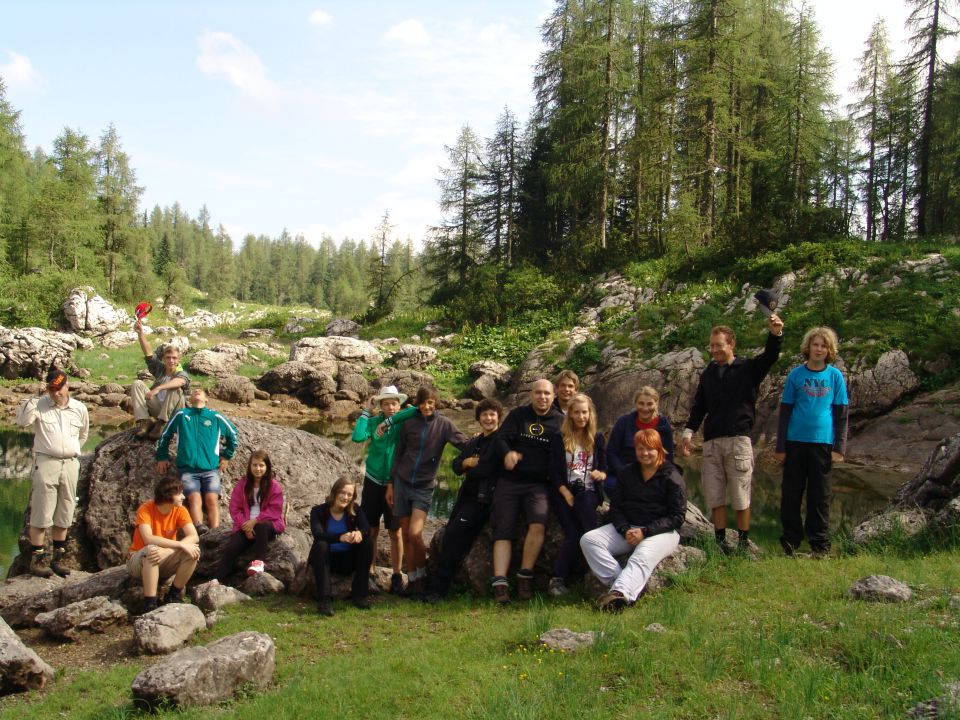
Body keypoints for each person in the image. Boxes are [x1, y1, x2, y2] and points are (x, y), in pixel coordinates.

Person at [679, 314, 784, 553]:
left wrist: (775, 334)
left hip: (738, 440)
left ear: (731, 344)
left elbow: (769, 357)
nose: (714, 349)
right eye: (712, 345)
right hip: (712, 442)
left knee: (740, 495)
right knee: (715, 496)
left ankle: (744, 544)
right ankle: (720, 542)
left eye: (719, 345)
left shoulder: (747, 368)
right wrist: (687, 433)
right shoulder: (708, 374)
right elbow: (699, 407)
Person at [580, 429, 686, 612]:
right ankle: (621, 583)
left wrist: (645, 532)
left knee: (642, 554)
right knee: (588, 540)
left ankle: (620, 593)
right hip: (629, 528)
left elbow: (677, 517)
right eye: (640, 449)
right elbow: (616, 508)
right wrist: (624, 529)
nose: (645, 453)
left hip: (662, 532)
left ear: (659, 449)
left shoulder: (672, 476)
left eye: (650, 449)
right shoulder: (627, 473)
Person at [384, 386, 469, 596]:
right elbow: (399, 454)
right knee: (405, 534)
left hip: (424, 486)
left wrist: (483, 446)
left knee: (415, 534)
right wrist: (390, 484)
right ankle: (412, 581)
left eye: (431, 402)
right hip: (402, 482)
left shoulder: (444, 425)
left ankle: (422, 575)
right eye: (423, 402)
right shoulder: (408, 423)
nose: (427, 406)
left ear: (436, 403)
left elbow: (464, 443)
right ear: (418, 403)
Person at [775, 326, 849, 558]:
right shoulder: (795, 375)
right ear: (808, 347)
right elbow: (785, 412)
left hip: (822, 443)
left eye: (824, 346)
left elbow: (841, 414)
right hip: (795, 442)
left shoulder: (835, 376)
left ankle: (819, 543)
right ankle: (790, 541)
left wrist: (839, 448)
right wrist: (781, 446)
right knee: (791, 494)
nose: (819, 349)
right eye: (816, 345)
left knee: (820, 496)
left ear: (829, 350)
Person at [490, 378, 564, 604]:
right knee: (503, 529)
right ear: (531, 394)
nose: (542, 397)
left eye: (547, 394)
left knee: (538, 522)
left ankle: (525, 576)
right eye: (538, 393)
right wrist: (507, 454)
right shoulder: (517, 415)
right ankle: (500, 582)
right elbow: (500, 439)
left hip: (538, 484)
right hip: (510, 481)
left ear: (554, 397)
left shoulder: (561, 421)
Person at [423, 398, 504, 603]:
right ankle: (435, 588)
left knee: (453, 536)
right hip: (466, 497)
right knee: (450, 534)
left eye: (492, 414)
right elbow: (456, 465)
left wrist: (472, 466)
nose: (488, 418)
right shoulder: (475, 442)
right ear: (478, 419)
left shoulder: (501, 441)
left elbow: (487, 468)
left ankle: (438, 590)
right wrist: (467, 462)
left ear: (498, 417)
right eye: (484, 415)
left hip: (484, 500)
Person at [15, 367, 89, 577]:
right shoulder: (39, 405)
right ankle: (37, 560)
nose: (55, 393)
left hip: (71, 463)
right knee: (41, 511)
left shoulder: (79, 408)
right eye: (51, 389)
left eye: (58, 388)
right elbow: (22, 422)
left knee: (65, 511)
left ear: (67, 386)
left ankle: (58, 558)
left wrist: (70, 451)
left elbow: (83, 434)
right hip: (46, 462)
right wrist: (34, 398)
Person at [351, 385, 416, 595]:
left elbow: (416, 410)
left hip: (395, 483)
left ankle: (397, 574)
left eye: (394, 403)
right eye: (386, 403)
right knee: (371, 530)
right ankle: (370, 570)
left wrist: (392, 419)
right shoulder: (373, 422)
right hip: (372, 481)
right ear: (380, 405)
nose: (390, 407)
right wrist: (366, 411)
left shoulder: (403, 422)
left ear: (400, 404)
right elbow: (358, 437)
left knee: (395, 531)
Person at [156, 387, 238, 534]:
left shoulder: (215, 417)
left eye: (201, 391)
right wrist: (162, 456)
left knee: (211, 499)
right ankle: (199, 529)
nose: (197, 391)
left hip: (211, 469)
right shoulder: (182, 415)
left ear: (207, 399)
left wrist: (227, 456)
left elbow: (233, 435)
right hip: (188, 470)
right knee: (194, 499)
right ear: (190, 399)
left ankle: (216, 533)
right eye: (194, 391)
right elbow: (165, 435)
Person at [548, 393, 606, 596]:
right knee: (575, 533)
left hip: (589, 491)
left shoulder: (597, 437)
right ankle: (558, 579)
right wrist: (565, 493)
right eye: (577, 412)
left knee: (586, 521)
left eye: (585, 412)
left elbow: (605, 468)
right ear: (570, 414)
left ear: (590, 414)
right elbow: (553, 472)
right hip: (564, 492)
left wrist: (601, 473)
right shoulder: (559, 438)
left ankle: (595, 574)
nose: (581, 417)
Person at [127, 477, 201, 613]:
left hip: (165, 559)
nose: (183, 497)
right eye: (179, 493)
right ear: (168, 495)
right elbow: (148, 538)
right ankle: (150, 602)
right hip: (138, 560)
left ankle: (174, 594)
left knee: (193, 550)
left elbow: (194, 536)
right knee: (152, 550)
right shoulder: (146, 508)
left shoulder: (180, 510)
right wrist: (178, 545)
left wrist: (169, 551)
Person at [216, 450, 286, 583]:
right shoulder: (242, 485)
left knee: (261, 527)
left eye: (261, 465)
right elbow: (234, 508)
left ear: (267, 467)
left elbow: (275, 510)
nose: (258, 469)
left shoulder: (274, 486)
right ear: (249, 466)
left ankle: (259, 562)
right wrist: (246, 527)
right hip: (245, 525)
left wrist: (255, 521)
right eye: (254, 465)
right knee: (232, 548)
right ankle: (217, 580)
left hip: (266, 524)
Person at [309, 476, 373, 616]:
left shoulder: (355, 509)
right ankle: (324, 600)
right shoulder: (318, 511)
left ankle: (360, 595)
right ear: (335, 492)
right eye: (342, 493)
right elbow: (318, 534)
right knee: (321, 545)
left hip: (347, 560)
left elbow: (367, 529)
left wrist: (359, 533)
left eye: (349, 494)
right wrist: (340, 537)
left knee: (367, 542)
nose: (345, 497)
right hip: (326, 560)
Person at [605, 386, 674, 493]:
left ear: (657, 403)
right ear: (635, 403)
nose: (645, 408)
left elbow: (668, 457)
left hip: (654, 473)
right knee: (611, 485)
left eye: (650, 404)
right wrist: (623, 473)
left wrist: (655, 476)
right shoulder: (623, 422)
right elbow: (611, 453)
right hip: (625, 471)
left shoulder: (664, 426)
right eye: (641, 403)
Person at [130, 318, 189, 439]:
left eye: (174, 358)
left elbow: (180, 382)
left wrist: (159, 388)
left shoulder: (181, 373)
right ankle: (144, 421)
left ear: (178, 359)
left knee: (175, 388)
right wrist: (140, 332)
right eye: (168, 357)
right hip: (158, 408)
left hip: (174, 412)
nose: (171, 361)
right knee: (137, 383)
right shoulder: (160, 369)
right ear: (163, 359)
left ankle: (161, 425)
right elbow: (148, 353)